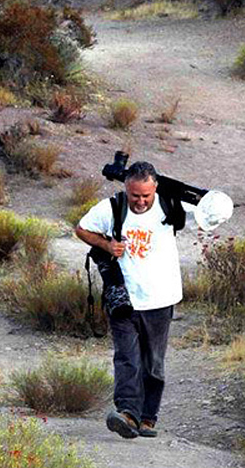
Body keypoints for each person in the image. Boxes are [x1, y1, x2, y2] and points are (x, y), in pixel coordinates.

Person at [74, 161, 185, 440]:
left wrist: (218, 203)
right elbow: (82, 229)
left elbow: (210, 213)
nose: (140, 201)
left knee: (153, 363)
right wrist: (107, 245)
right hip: (123, 297)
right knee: (127, 358)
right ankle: (127, 413)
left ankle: (147, 418)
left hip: (161, 298)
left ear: (155, 188)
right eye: (135, 195)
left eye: (146, 196)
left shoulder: (171, 205)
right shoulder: (112, 207)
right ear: (127, 187)